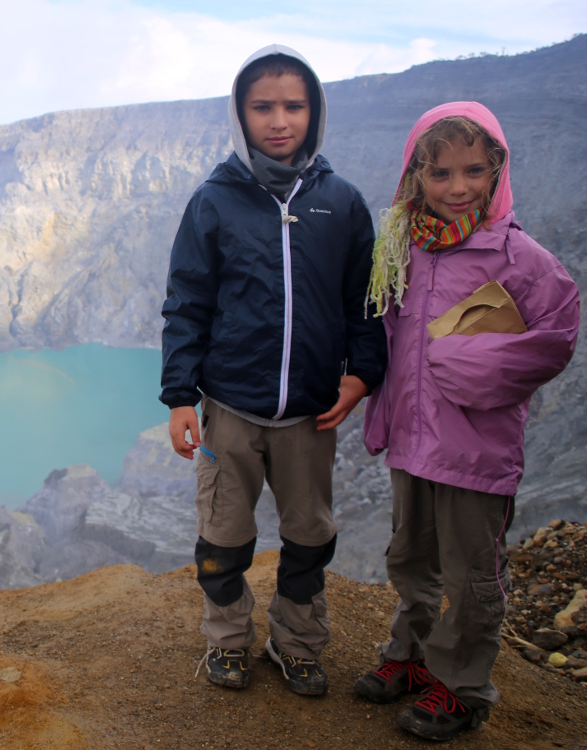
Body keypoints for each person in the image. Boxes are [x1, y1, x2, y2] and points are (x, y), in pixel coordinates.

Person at [160, 45, 386, 696]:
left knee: (309, 539)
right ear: (240, 113)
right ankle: (228, 642)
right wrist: (180, 396)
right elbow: (187, 301)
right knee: (224, 540)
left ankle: (297, 645)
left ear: (313, 113)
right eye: (262, 107)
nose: (278, 119)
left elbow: (364, 302)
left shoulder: (339, 202)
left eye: (293, 105)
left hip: (311, 412)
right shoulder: (214, 201)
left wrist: (361, 374)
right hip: (230, 409)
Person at [356, 102, 580, 741]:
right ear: (415, 177)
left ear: (498, 171)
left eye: (475, 171)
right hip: (413, 442)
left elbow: (558, 334)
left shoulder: (519, 257)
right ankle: (412, 653)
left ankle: (462, 688)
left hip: (476, 448)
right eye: (441, 174)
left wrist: (478, 365)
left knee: (472, 572)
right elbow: (388, 333)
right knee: (411, 556)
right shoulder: (405, 247)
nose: (458, 188)